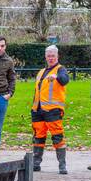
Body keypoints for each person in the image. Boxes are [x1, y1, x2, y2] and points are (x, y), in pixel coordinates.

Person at [31, 45, 70, 174]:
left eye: (53, 56)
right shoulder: (41, 72)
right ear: (45, 57)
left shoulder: (60, 69)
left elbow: (65, 80)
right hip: (38, 110)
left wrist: (57, 78)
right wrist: (34, 108)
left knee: (57, 137)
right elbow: (37, 91)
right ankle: (36, 164)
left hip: (53, 110)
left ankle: (62, 166)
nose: (51, 58)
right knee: (38, 137)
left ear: (57, 56)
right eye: (49, 56)